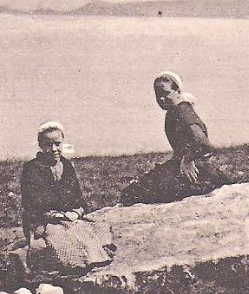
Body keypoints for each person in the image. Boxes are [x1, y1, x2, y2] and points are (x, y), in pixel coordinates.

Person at [17, 121, 114, 276]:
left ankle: (93, 259)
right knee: (65, 239)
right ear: (41, 146)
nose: (53, 149)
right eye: (48, 145)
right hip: (43, 220)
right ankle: (70, 265)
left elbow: (77, 197)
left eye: (57, 144)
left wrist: (76, 212)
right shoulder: (32, 169)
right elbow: (36, 203)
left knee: (96, 228)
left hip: (66, 217)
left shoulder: (66, 166)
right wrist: (61, 214)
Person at [119, 72, 228, 205]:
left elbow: (203, 142)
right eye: (158, 95)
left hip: (196, 172)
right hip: (187, 167)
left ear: (178, 91)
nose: (162, 98)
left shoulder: (182, 110)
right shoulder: (175, 110)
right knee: (135, 192)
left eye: (166, 93)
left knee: (133, 194)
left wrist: (187, 160)